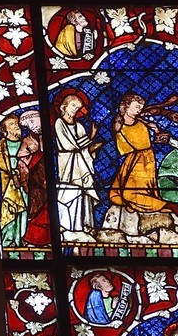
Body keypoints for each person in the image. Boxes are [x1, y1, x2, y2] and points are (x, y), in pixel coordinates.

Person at [105, 93, 170, 234]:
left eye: (140, 107)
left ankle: (168, 206)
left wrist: (157, 130)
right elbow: (117, 130)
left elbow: (152, 126)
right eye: (136, 106)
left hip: (145, 159)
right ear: (126, 106)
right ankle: (136, 205)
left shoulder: (141, 121)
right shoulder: (119, 123)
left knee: (130, 194)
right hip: (131, 159)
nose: (139, 109)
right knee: (115, 195)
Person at [54, 90, 101, 239]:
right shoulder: (59, 123)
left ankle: (84, 224)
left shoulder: (79, 126)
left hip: (81, 163)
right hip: (67, 161)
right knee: (70, 191)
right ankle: (69, 225)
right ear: (64, 106)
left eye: (78, 107)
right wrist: (92, 137)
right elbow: (69, 146)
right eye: (73, 105)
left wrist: (92, 146)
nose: (75, 109)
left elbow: (84, 148)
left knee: (83, 192)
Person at [0, 113, 40, 246]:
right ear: (5, 129)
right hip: (9, 183)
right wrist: (12, 172)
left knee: (24, 209)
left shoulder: (23, 143)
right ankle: (8, 239)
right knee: (11, 208)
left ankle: (21, 237)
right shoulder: (2, 144)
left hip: (24, 181)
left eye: (16, 124)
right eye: (11, 124)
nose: (16, 127)